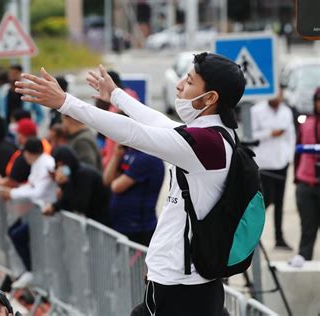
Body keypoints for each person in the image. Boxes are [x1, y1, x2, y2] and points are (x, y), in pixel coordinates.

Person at [16, 52, 246, 315]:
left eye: (190, 81)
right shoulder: (209, 137)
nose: (179, 85)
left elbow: (134, 132)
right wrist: (115, 94)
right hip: (177, 281)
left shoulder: (208, 144)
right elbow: (157, 121)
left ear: (210, 98)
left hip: (184, 289)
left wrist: (65, 103)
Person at [0, 138, 57, 289]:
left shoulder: (46, 164)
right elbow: (30, 186)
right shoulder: (37, 164)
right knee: (14, 232)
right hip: (37, 212)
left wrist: (12, 194)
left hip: (47, 213)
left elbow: (38, 191)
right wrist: (12, 192)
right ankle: (29, 271)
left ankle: (33, 273)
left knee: (19, 235)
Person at [251, 89, 296, 250]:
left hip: (281, 162)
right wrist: (270, 133)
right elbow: (251, 135)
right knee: (266, 199)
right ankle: (252, 231)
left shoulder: (286, 111)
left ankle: (279, 238)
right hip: (264, 163)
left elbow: (291, 136)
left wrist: (289, 158)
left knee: (280, 202)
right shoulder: (256, 110)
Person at [103, 143, 165, 246]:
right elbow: (107, 180)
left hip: (138, 228)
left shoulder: (148, 158)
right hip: (121, 224)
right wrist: (116, 156)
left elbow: (116, 187)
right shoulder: (129, 152)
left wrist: (116, 179)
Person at [289, 87, 320, 268]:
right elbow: (297, 152)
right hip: (306, 182)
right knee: (307, 228)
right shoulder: (306, 123)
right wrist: (297, 178)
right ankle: (304, 260)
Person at [42, 146, 109, 224]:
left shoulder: (83, 174)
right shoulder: (73, 175)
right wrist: (55, 205)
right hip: (95, 217)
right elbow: (66, 200)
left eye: (61, 165)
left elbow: (79, 205)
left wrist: (65, 184)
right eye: (58, 166)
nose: (59, 169)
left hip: (103, 217)